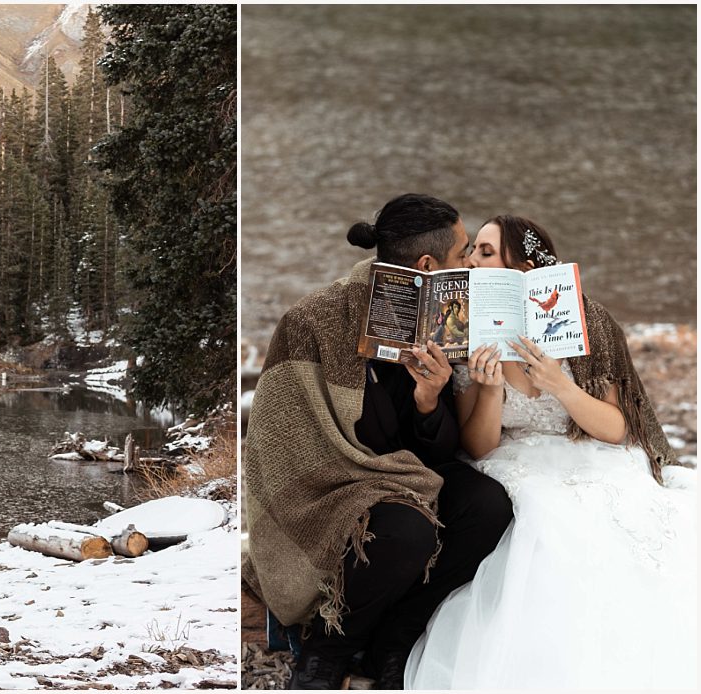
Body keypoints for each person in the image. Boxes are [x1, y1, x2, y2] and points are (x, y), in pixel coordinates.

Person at [406, 216, 696, 689]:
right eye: (472, 251)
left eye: (484, 252)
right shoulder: (466, 329)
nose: (472, 261)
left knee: (632, 517)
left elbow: (617, 430)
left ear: (520, 265)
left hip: (590, 453)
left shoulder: (588, 322)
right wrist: (492, 389)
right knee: (547, 524)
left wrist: (561, 386)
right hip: (514, 463)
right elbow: (478, 446)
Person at [242, 193, 514, 689]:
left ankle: (398, 635)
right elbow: (281, 440)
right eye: (462, 255)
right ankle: (331, 646)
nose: (469, 267)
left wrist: (429, 398)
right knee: (406, 530)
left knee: (488, 506)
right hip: (334, 477)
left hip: (405, 471)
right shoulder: (313, 321)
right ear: (428, 265)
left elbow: (435, 454)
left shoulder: (446, 317)